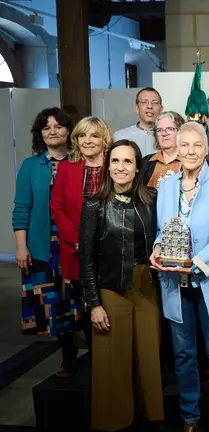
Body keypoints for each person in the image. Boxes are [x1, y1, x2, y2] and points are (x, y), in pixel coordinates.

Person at [151, 121, 209, 432]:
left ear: (205, 148)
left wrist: (195, 264)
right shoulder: (167, 185)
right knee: (183, 353)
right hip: (175, 282)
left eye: (196, 145)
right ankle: (189, 416)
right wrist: (158, 248)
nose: (190, 151)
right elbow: (162, 229)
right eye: (184, 145)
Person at [79, 140, 163, 432]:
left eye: (127, 161)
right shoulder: (94, 205)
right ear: (108, 166)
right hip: (110, 289)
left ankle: (150, 418)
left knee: (149, 356)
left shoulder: (151, 199)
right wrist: (94, 303)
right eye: (115, 161)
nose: (120, 167)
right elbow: (86, 259)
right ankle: (114, 422)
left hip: (146, 286)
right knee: (112, 359)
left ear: (138, 167)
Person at [13, 107, 80, 377]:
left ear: (68, 131)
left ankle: (87, 355)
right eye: (46, 127)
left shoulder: (78, 163)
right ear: (40, 134)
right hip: (42, 243)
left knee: (76, 300)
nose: (52, 131)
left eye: (58, 126)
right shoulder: (31, 166)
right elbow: (21, 208)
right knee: (52, 302)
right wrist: (21, 245)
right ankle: (68, 356)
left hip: (72, 242)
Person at [51, 116, 113, 354]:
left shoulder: (115, 165)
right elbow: (56, 207)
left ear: (104, 139)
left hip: (110, 250)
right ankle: (95, 360)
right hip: (78, 251)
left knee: (112, 306)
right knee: (88, 309)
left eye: (94, 135)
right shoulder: (66, 169)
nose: (87, 141)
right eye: (82, 135)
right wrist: (78, 240)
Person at [114, 87, 163, 157]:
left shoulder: (170, 136)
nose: (150, 106)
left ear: (161, 109)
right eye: (144, 102)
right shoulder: (119, 136)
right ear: (137, 108)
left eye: (155, 102)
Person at [143, 111, 185, 190]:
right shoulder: (145, 162)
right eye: (159, 130)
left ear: (180, 132)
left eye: (169, 129)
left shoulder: (190, 161)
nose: (164, 134)